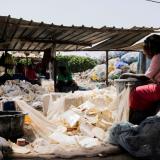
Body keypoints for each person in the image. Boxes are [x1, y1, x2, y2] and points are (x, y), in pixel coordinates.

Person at [120, 34, 160, 124]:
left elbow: (146, 77)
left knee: (136, 92)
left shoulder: (158, 56)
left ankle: (135, 118)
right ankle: (145, 113)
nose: (145, 52)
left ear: (151, 47)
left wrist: (128, 74)